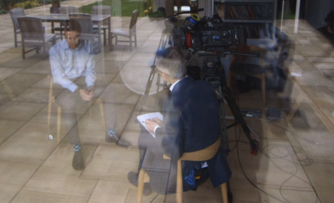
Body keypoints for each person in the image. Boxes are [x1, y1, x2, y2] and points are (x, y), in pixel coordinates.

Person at [127, 47, 232, 196]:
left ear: (164, 75)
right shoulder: (206, 86)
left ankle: (142, 178)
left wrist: (158, 129)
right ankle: (140, 176)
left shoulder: (173, 102)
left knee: (145, 135)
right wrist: (166, 125)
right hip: (212, 154)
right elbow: (192, 119)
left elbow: (174, 150)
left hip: (190, 162)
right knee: (150, 133)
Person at [49, 19, 130, 170]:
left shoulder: (87, 46)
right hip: (66, 85)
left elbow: (90, 70)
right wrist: (77, 90)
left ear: (80, 35)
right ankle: (77, 148)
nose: (72, 41)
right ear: (64, 36)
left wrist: (90, 85)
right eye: (68, 38)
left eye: (75, 37)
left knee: (110, 92)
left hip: (84, 83)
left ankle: (111, 133)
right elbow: (59, 77)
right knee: (68, 105)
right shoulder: (55, 50)